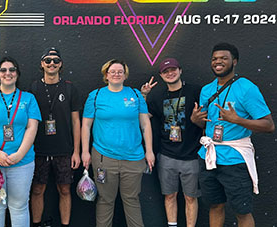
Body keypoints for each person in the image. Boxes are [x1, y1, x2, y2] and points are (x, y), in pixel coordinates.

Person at [191, 43, 275, 227]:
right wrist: (195, 119)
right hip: (209, 157)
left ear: (234, 62)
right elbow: (204, 124)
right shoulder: (207, 90)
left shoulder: (246, 88)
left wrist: (237, 120)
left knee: (242, 211)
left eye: (223, 58)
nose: (218, 62)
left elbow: (269, 125)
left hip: (235, 160)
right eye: (214, 59)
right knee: (214, 206)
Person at [81, 59, 155, 227]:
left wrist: (149, 151)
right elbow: (86, 125)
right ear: (106, 75)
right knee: (105, 200)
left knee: (132, 199)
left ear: (125, 75)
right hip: (103, 157)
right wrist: (85, 151)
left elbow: (145, 124)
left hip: (134, 157)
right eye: (112, 71)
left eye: (120, 71)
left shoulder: (136, 95)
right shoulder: (96, 95)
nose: (116, 74)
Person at [0, 56, 41, 227]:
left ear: (17, 74)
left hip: (21, 162)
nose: (8, 73)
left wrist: (19, 154)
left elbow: (31, 128)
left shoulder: (28, 98)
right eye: (3, 70)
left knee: (19, 206)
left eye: (12, 70)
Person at [143, 58, 202, 227]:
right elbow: (144, 117)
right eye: (165, 71)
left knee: (190, 197)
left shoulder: (195, 91)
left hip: (191, 155)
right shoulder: (157, 96)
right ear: (161, 75)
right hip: (167, 156)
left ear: (180, 70)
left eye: (173, 69)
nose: (170, 73)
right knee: (170, 196)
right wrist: (144, 96)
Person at [30, 47, 81, 227]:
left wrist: (76, 151)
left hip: (64, 150)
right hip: (38, 150)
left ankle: (65, 225)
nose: (52, 63)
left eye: (56, 60)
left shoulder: (69, 88)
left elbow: (76, 122)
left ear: (61, 65)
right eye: (48, 60)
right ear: (41, 64)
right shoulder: (34, 88)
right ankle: (36, 224)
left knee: (65, 190)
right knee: (37, 190)